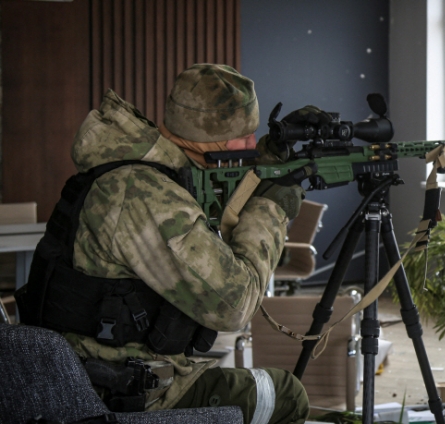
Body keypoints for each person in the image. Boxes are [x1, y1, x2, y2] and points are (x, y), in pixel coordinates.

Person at [16, 64, 317, 424]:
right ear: (214, 139)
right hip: (120, 389)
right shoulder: (146, 196)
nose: (252, 145)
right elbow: (235, 305)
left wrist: (267, 163)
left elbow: (211, 205)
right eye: (246, 135)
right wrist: (271, 209)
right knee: (285, 394)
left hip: (92, 366)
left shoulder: (139, 169)